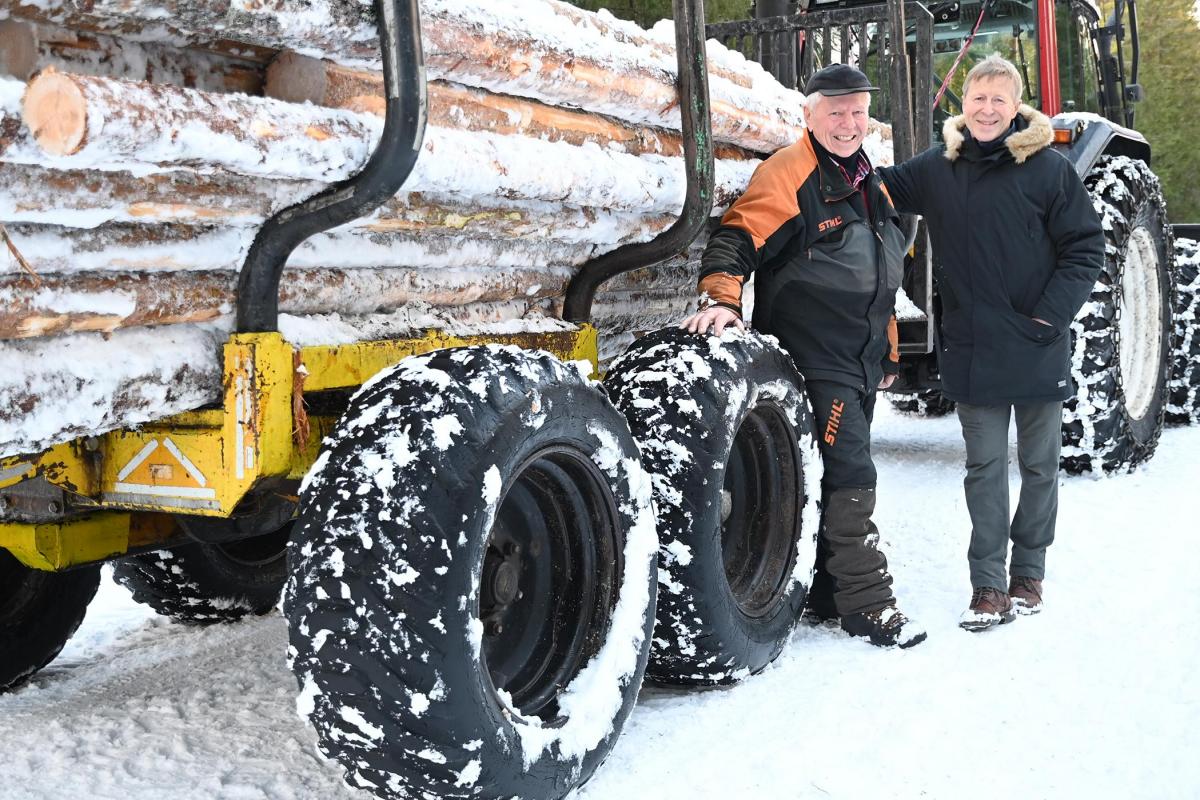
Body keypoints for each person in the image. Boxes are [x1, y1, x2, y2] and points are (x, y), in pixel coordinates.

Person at [681, 63, 926, 649]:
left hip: (861, 360)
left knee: (825, 474)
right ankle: (869, 606)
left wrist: (888, 352)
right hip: (817, 358)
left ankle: (824, 589)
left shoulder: (872, 181)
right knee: (850, 477)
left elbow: (879, 279)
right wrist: (723, 300)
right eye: (835, 112)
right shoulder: (792, 172)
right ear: (809, 115)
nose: (848, 123)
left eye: (858, 111)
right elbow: (740, 235)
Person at [879, 54, 1103, 631]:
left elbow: (1085, 249)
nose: (986, 109)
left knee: (1038, 466)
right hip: (973, 347)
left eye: (998, 100)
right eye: (977, 98)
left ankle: (1028, 573)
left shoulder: (1050, 170)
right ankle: (988, 587)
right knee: (982, 469)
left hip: (1036, 342)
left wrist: (1049, 318)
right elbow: (878, 189)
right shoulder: (938, 168)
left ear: (1015, 107)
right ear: (964, 105)